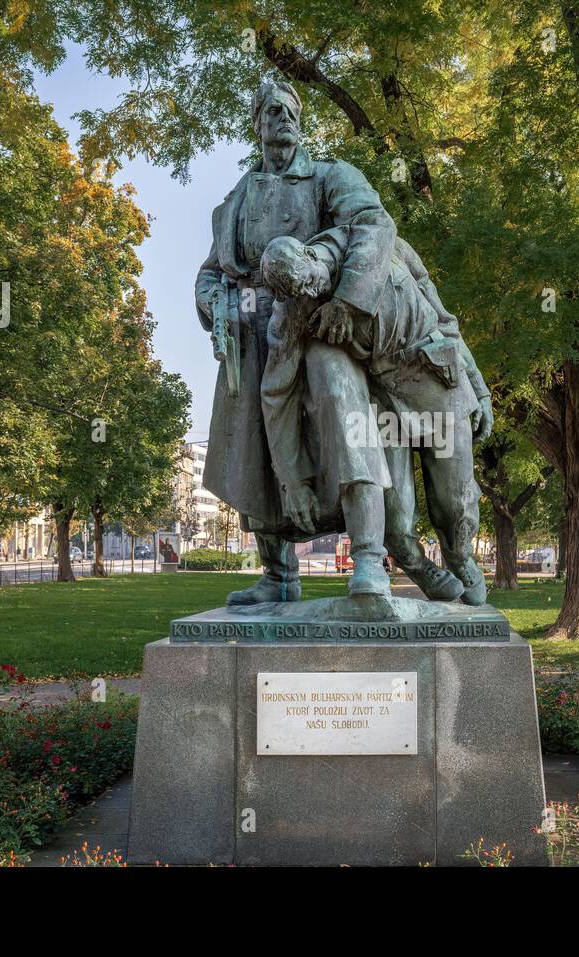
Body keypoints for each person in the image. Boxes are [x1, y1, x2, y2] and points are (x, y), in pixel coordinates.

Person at [195, 80, 396, 605]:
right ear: (257, 123)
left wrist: (349, 301)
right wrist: (215, 305)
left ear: (300, 121)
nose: (281, 117)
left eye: (289, 109)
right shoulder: (236, 199)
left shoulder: (330, 176)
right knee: (253, 451)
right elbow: (212, 273)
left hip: (318, 320)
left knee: (342, 415)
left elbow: (374, 224)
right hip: (251, 334)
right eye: (270, 110)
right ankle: (278, 574)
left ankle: (370, 558)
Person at [260, 232, 492, 602]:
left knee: (455, 502)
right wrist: (290, 478)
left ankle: (460, 556)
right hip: (383, 397)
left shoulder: (379, 241)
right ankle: (420, 568)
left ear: (309, 253)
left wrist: (478, 387)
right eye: (298, 294)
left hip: (436, 381)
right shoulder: (291, 311)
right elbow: (276, 394)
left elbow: (445, 319)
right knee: (396, 518)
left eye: (308, 282)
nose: (310, 296)